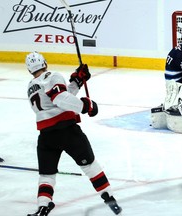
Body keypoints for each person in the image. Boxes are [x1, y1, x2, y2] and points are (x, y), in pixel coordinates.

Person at [25, 51, 122, 216]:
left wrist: (77, 81)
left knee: (47, 174)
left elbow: (57, 100)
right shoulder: (52, 75)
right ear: (45, 63)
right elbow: (60, 99)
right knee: (90, 165)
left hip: (46, 136)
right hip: (67, 131)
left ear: (29, 70)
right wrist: (86, 106)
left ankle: (43, 206)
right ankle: (109, 196)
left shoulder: (31, 87)